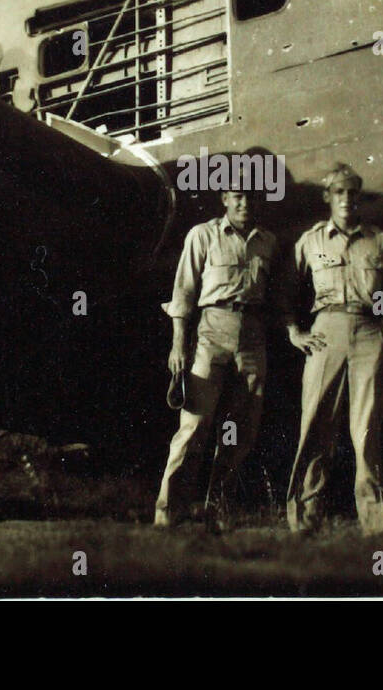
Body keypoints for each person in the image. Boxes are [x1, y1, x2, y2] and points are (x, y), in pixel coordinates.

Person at [283, 163, 383, 535]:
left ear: (359, 197)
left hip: (370, 333)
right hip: (326, 333)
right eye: (338, 192)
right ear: (328, 197)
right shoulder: (310, 242)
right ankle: (304, 521)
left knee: (367, 430)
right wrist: (294, 331)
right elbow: (285, 294)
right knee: (315, 427)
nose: (346, 199)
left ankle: (375, 524)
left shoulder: (381, 241)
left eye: (352, 192)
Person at [154, 185, 284, 532]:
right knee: (195, 423)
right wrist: (178, 345)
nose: (244, 203)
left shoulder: (268, 242)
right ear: (224, 199)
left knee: (241, 428)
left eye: (251, 196)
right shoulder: (203, 235)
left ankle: (218, 508)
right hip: (212, 328)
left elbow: (276, 295)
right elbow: (183, 291)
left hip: (252, 333)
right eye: (237, 196)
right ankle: (169, 512)